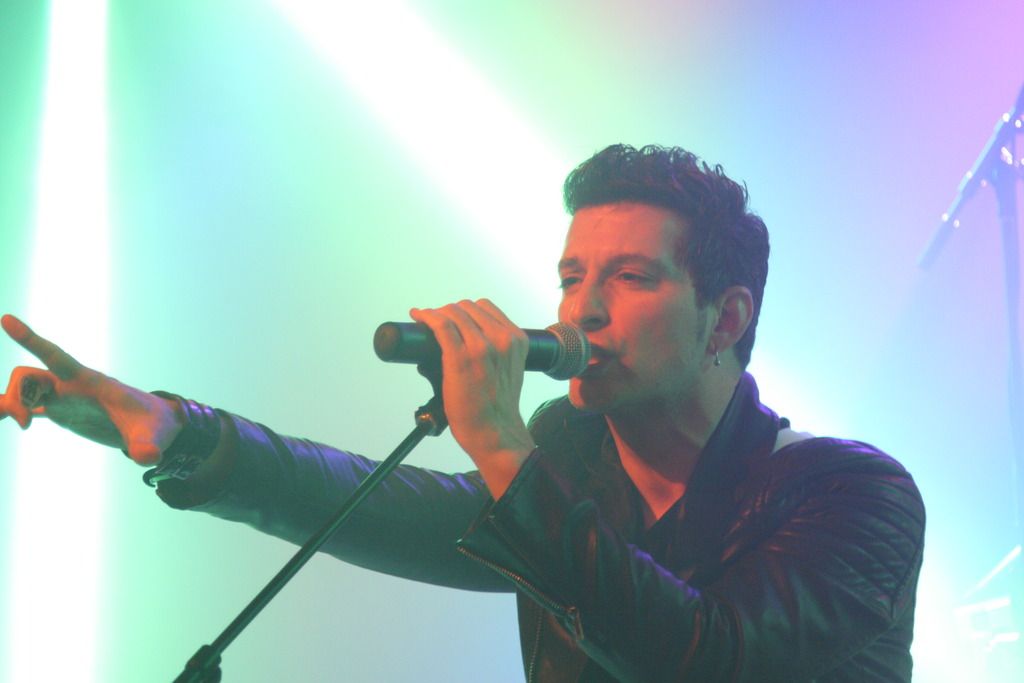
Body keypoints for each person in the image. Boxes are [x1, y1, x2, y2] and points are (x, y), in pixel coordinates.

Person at [0, 145, 925, 681]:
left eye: (631, 276)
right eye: (572, 276)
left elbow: (702, 657)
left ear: (724, 318)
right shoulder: (572, 457)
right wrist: (175, 433)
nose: (582, 310)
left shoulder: (854, 496)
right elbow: (380, 506)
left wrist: (501, 443)